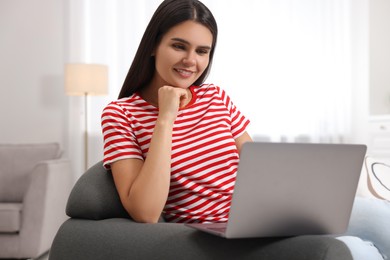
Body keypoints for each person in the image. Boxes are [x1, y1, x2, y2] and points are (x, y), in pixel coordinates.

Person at [101, 0, 387, 258]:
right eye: (179, 46)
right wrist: (166, 118)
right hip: (217, 233)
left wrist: (301, 197)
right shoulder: (120, 114)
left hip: (266, 217)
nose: (191, 61)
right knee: (357, 251)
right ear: (153, 45)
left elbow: (257, 166)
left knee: (379, 216)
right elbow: (146, 212)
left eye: (202, 51)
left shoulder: (215, 97)